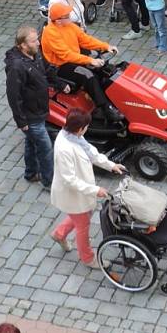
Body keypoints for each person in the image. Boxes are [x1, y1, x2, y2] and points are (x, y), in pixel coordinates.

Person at [50, 109, 125, 267]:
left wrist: (111, 165)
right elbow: (69, 180)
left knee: (81, 216)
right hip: (73, 193)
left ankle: (59, 234)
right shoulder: (64, 148)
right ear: (80, 128)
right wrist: (95, 190)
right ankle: (88, 258)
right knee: (83, 225)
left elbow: (92, 153)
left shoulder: (74, 137)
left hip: (80, 192)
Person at [40, 3, 122, 123]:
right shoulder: (51, 33)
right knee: (88, 75)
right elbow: (66, 55)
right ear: (58, 21)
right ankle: (105, 108)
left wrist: (105, 46)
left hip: (74, 59)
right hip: (60, 66)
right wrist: (90, 60)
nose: (70, 16)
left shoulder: (69, 26)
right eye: (67, 15)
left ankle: (111, 99)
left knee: (104, 70)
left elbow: (85, 40)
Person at [5, 26, 59, 191]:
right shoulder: (16, 67)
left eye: (37, 39)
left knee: (31, 142)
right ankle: (49, 182)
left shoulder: (35, 53)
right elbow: (14, 96)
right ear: (22, 45)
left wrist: (60, 84)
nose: (38, 43)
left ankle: (30, 173)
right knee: (46, 148)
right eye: (34, 41)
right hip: (31, 115)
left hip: (39, 110)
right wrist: (21, 121)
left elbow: (47, 69)